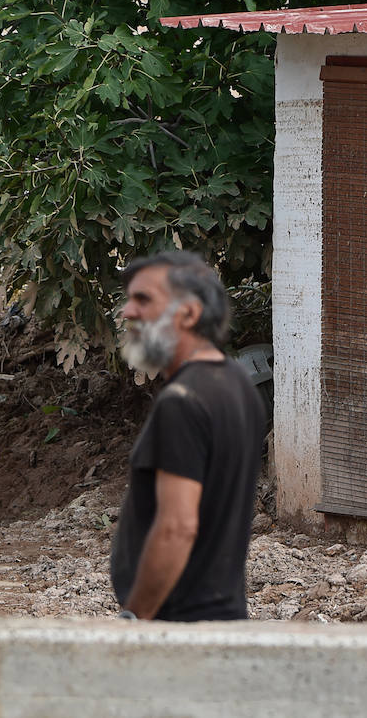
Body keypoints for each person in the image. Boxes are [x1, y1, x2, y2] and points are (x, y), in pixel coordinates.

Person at [110, 251, 265, 621]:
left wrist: (136, 619)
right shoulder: (238, 383)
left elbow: (177, 527)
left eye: (143, 299)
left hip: (178, 633)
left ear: (190, 313)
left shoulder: (181, 402)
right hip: (224, 621)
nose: (128, 312)